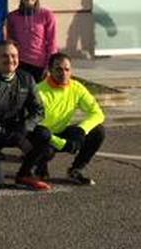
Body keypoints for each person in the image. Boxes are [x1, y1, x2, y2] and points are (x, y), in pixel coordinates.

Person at [0, 40, 53, 191]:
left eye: (14, 56)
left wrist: (24, 128)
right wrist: (7, 135)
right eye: (4, 56)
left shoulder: (27, 78)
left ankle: (24, 174)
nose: (10, 60)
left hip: (15, 129)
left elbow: (38, 110)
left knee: (44, 135)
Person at [36, 53, 106, 185]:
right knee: (46, 149)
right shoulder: (39, 91)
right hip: (43, 136)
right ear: (50, 70)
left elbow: (98, 114)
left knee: (98, 131)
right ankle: (39, 168)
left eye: (67, 69)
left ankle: (75, 170)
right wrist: (63, 144)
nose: (63, 73)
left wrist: (82, 129)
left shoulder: (76, 88)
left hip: (62, 131)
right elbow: (36, 129)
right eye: (58, 69)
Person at [6, 0, 58, 80]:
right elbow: (10, 41)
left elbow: (52, 43)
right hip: (19, 65)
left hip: (40, 66)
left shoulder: (47, 15)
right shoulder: (12, 17)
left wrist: (50, 66)